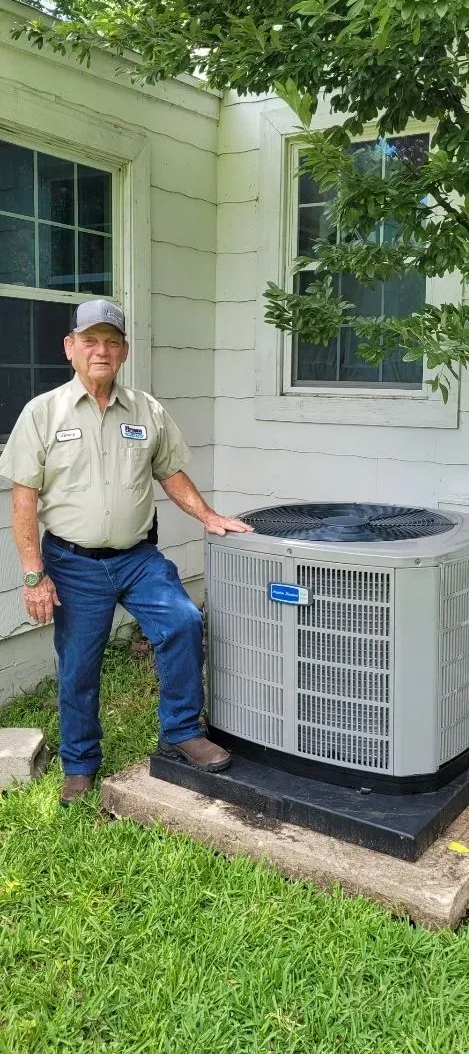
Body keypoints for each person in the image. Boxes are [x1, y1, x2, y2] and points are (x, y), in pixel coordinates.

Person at [0, 300, 251, 805]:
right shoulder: (42, 413)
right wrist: (34, 575)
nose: (102, 351)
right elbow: (24, 495)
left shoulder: (146, 410)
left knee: (182, 621)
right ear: (70, 348)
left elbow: (170, 472)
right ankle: (80, 762)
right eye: (90, 341)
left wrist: (208, 516)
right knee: (78, 664)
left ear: (124, 351)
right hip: (72, 564)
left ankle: (181, 732)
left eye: (112, 342)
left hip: (138, 558)